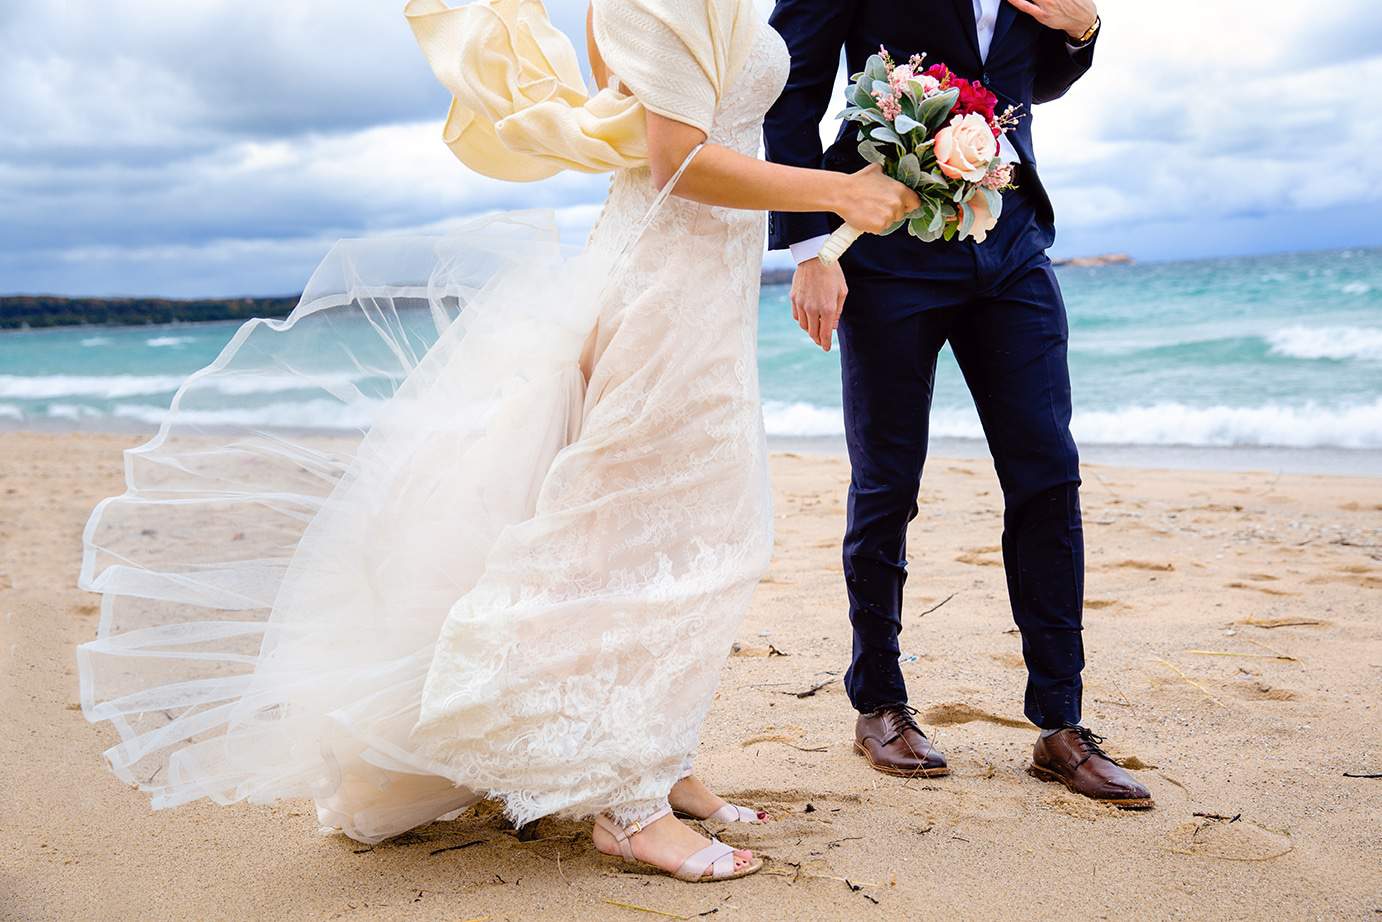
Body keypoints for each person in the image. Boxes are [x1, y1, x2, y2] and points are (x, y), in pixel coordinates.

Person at [75, 0, 919, 884]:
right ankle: (626, 809)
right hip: (666, 288)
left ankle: (659, 761)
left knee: (693, 528)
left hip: (711, 285)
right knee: (631, 535)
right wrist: (836, 190)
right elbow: (676, 159)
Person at [763, 0, 1152, 807]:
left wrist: (1081, 32)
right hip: (887, 253)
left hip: (1012, 249)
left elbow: (1025, 83)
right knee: (887, 483)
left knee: (1049, 473)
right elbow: (791, 88)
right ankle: (878, 703)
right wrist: (809, 247)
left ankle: (1061, 723)